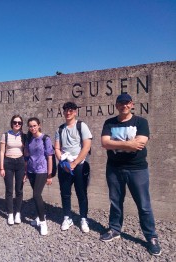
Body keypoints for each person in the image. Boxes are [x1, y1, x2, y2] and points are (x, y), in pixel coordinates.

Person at [100, 93, 161, 256]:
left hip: (137, 169)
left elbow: (139, 144)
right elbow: (104, 143)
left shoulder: (141, 122)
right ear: (116, 105)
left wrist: (117, 144)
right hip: (114, 168)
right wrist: (128, 143)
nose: (123, 105)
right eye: (120, 103)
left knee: (144, 205)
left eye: (126, 103)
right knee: (115, 202)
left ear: (132, 104)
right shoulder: (109, 122)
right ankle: (114, 229)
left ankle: (151, 237)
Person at [54, 102, 92, 233]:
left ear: (75, 112)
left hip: (80, 165)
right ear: (63, 112)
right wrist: (62, 162)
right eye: (66, 110)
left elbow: (87, 146)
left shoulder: (82, 126)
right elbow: (57, 148)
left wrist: (74, 163)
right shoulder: (60, 129)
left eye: (71, 110)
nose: (68, 113)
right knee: (65, 193)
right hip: (65, 166)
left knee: (82, 193)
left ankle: (83, 218)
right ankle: (67, 217)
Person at [24, 117, 54, 235]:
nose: (33, 128)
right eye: (30, 126)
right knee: (38, 196)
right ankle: (39, 216)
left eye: (34, 125)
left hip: (42, 170)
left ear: (39, 125)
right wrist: (26, 172)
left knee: (36, 195)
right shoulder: (29, 139)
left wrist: (49, 175)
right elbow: (26, 156)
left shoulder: (45, 138)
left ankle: (43, 222)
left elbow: (50, 156)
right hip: (31, 170)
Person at [0, 115, 26, 225]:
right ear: (12, 123)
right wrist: (1, 167)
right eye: (15, 122)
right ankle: (10, 213)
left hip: (20, 162)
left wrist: (26, 169)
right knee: (9, 190)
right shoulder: (5, 135)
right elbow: (1, 152)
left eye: (19, 123)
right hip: (8, 162)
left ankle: (18, 213)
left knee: (19, 190)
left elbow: (26, 153)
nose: (17, 124)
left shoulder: (24, 136)